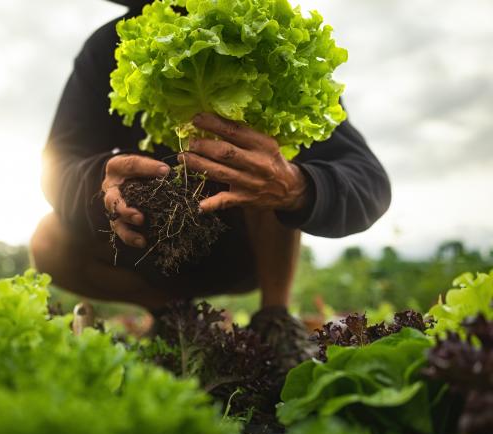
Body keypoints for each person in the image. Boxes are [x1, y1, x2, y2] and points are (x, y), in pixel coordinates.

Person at [30, 0, 391, 348]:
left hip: (247, 251)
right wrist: (99, 181)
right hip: (149, 246)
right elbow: (58, 164)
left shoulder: (267, 34)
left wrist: (296, 186)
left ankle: (275, 321)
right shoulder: (109, 47)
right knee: (47, 242)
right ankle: (174, 315)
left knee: (265, 161)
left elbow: (367, 181)